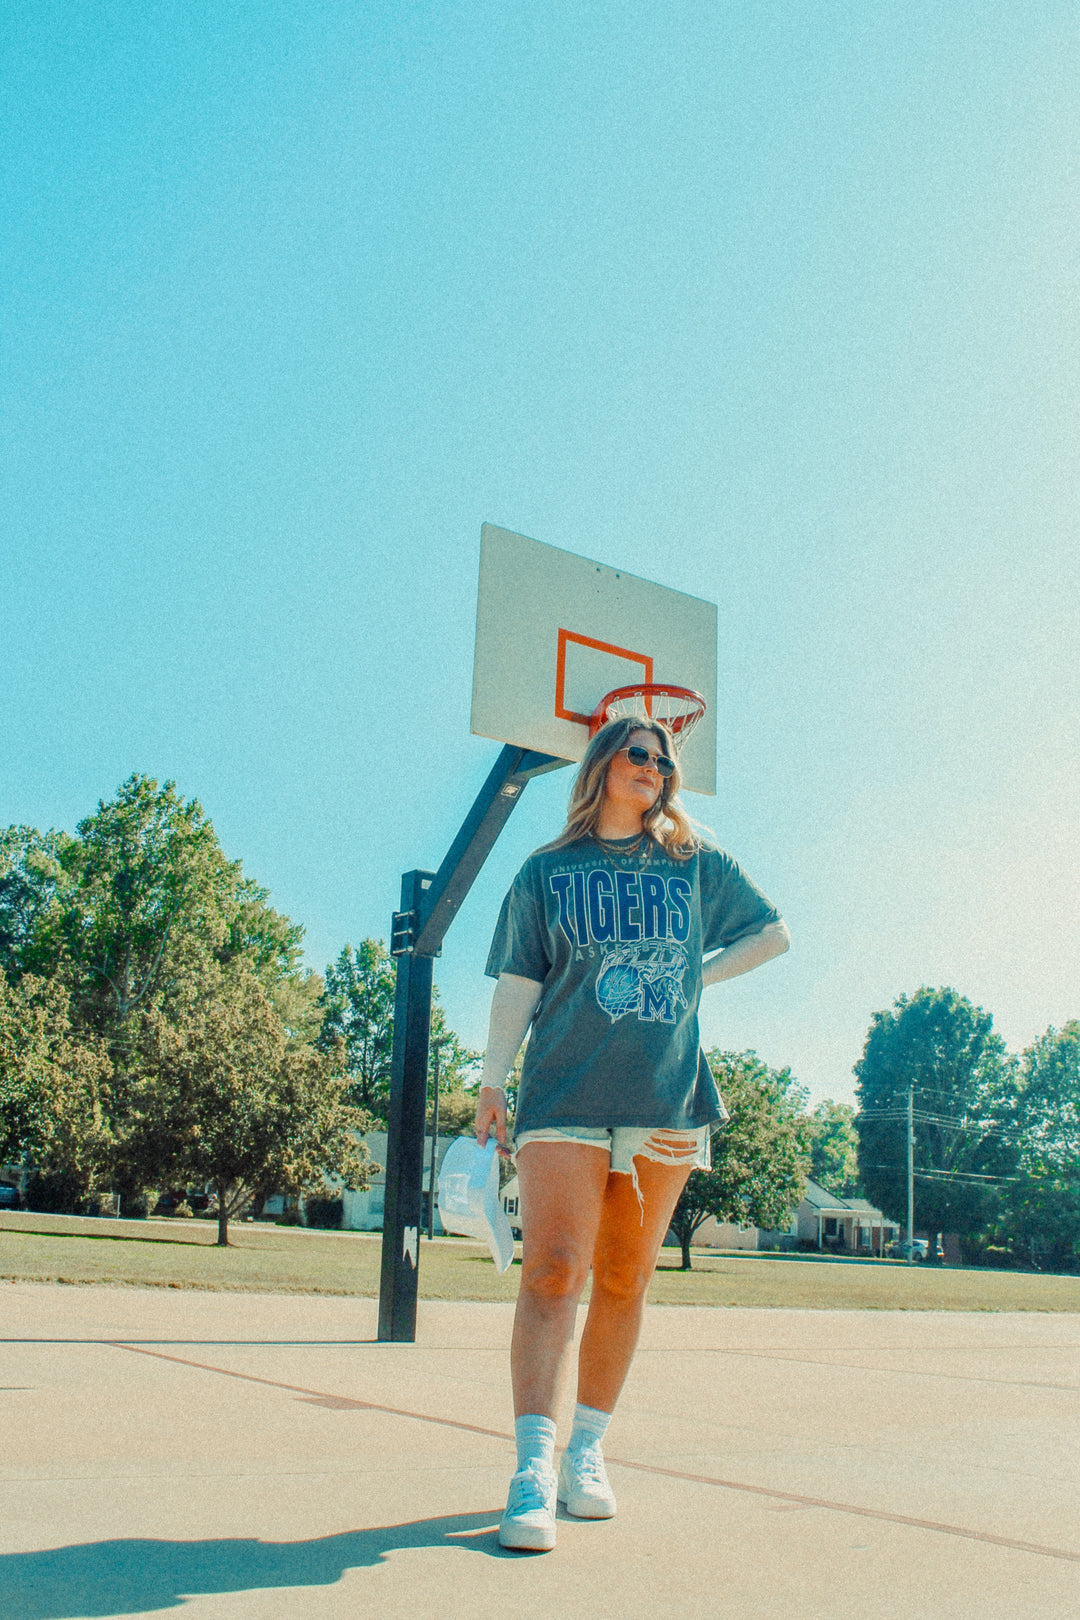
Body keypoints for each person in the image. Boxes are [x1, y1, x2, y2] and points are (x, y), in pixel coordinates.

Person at [475, 714, 790, 1552]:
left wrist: (700, 978)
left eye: (665, 761)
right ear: (605, 763)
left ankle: (587, 1450)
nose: (655, 768)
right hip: (564, 1093)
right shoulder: (547, 871)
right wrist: (491, 1081)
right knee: (551, 1271)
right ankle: (532, 1469)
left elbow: (774, 934)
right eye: (639, 755)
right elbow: (517, 980)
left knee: (623, 1276)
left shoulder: (696, 866)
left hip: (666, 1098)